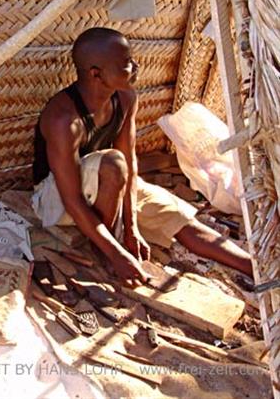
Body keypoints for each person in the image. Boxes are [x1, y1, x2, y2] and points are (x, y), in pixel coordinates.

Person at [31, 27, 253, 283]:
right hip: (54, 197)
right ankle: (106, 253)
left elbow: (131, 164)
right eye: (126, 63)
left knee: (179, 219)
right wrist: (117, 254)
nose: (135, 66)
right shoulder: (63, 119)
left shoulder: (125, 98)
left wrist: (132, 226)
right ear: (96, 74)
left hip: (107, 183)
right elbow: (72, 200)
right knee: (114, 163)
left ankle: (255, 268)